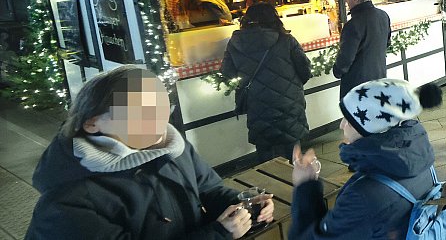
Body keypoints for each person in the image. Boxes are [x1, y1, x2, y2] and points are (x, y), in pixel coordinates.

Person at [26, 65, 271, 239]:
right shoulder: (68, 199)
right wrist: (218, 234)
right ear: (91, 123)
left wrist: (243, 206)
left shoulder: (171, 147)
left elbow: (209, 189)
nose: (157, 121)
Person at [289, 78, 445, 239]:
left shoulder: (362, 196)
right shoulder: (418, 159)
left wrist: (305, 186)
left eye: (348, 120)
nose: (341, 125)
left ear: (371, 127)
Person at [221, 2, 313, 162]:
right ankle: (297, 182)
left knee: (264, 149)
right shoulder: (287, 39)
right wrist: (291, 86)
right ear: (273, 18)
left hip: (257, 102)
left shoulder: (235, 42)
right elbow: (304, 69)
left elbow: (228, 72)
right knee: (292, 145)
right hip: (288, 100)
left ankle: (268, 182)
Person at [333, 0, 391, 98]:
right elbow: (387, 43)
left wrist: (337, 71)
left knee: (358, 114)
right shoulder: (383, 15)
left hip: (358, 84)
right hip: (379, 75)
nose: (346, 1)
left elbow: (346, 58)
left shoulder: (353, 24)